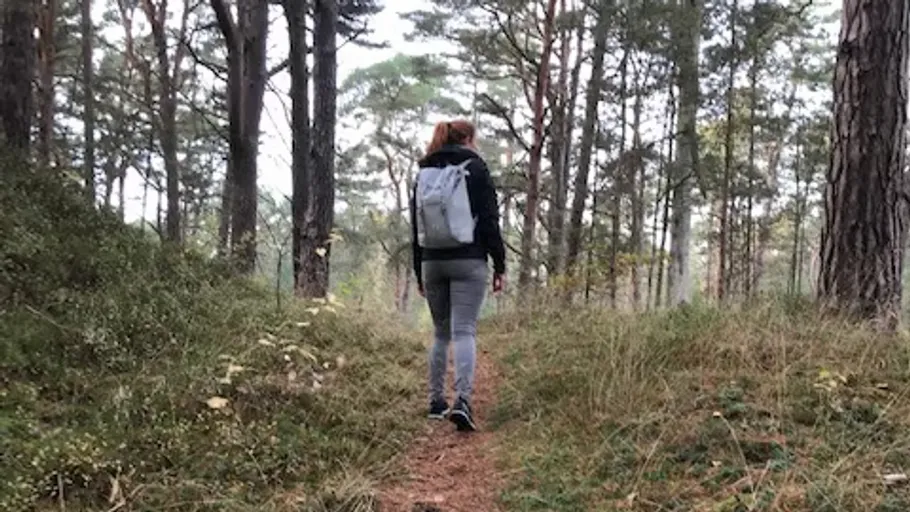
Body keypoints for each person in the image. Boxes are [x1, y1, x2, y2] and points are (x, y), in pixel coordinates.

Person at [410, 119, 506, 432]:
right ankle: (462, 401)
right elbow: (490, 219)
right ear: (467, 139)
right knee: (464, 330)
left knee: (440, 333)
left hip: (432, 260)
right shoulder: (475, 168)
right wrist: (499, 264)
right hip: (469, 258)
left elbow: (417, 226)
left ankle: (436, 402)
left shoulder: (424, 173)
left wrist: (419, 269)